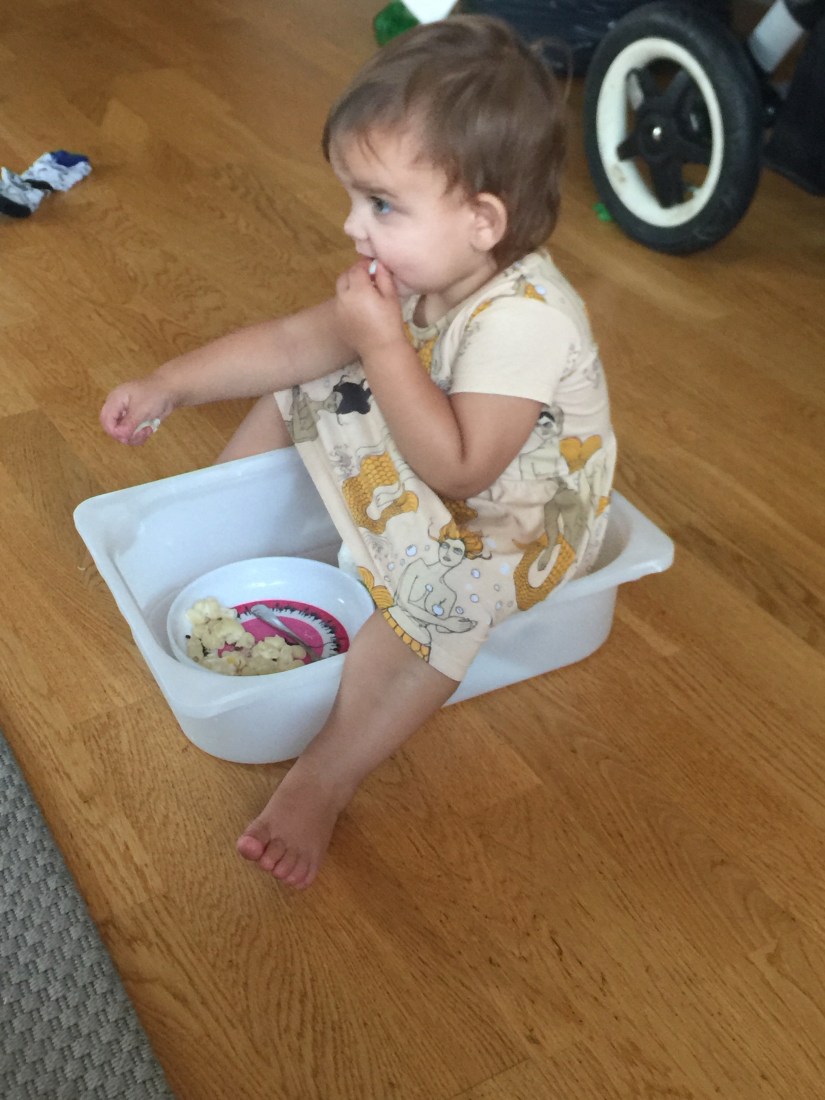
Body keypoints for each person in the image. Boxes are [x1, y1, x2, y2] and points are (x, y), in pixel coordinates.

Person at [100, 15, 616, 889]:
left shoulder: (525, 322)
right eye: (352, 197)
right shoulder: (422, 269)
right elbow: (291, 346)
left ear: (481, 220)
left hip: (511, 530)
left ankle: (326, 776)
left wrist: (377, 342)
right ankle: (223, 542)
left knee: (443, 603)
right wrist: (170, 384)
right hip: (435, 466)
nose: (352, 226)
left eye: (380, 204)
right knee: (309, 380)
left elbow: (461, 470)